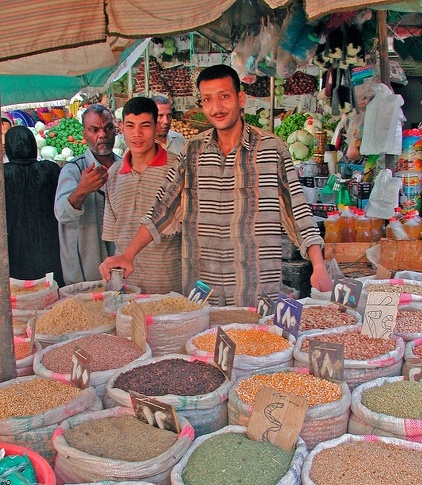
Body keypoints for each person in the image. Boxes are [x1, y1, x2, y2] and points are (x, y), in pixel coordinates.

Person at [100, 64, 332, 306]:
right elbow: (162, 208)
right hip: (203, 293)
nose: (216, 107)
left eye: (224, 97)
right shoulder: (192, 151)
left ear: (240, 98)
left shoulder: (271, 149)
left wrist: (318, 264)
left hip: (254, 292)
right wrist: (128, 254)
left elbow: (298, 209)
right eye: (207, 99)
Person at [102, 96, 181, 294]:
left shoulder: (177, 168)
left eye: (145, 126)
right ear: (121, 128)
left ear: (156, 127)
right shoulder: (113, 174)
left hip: (168, 284)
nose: (137, 134)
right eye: (130, 126)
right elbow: (114, 235)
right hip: (126, 286)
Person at [54, 104, 121, 284]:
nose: (102, 135)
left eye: (108, 128)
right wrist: (82, 190)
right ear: (85, 135)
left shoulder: (123, 167)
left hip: (119, 262)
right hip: (86, 265)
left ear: (115, 131)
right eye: (94, 130)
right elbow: (61, 213)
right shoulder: (73, 169)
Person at [4, 126, 64, 286]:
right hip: (49, 245)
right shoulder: (50, 169)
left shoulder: (4, 174)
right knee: (51, 291)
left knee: (21, 292)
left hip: (15, 248)